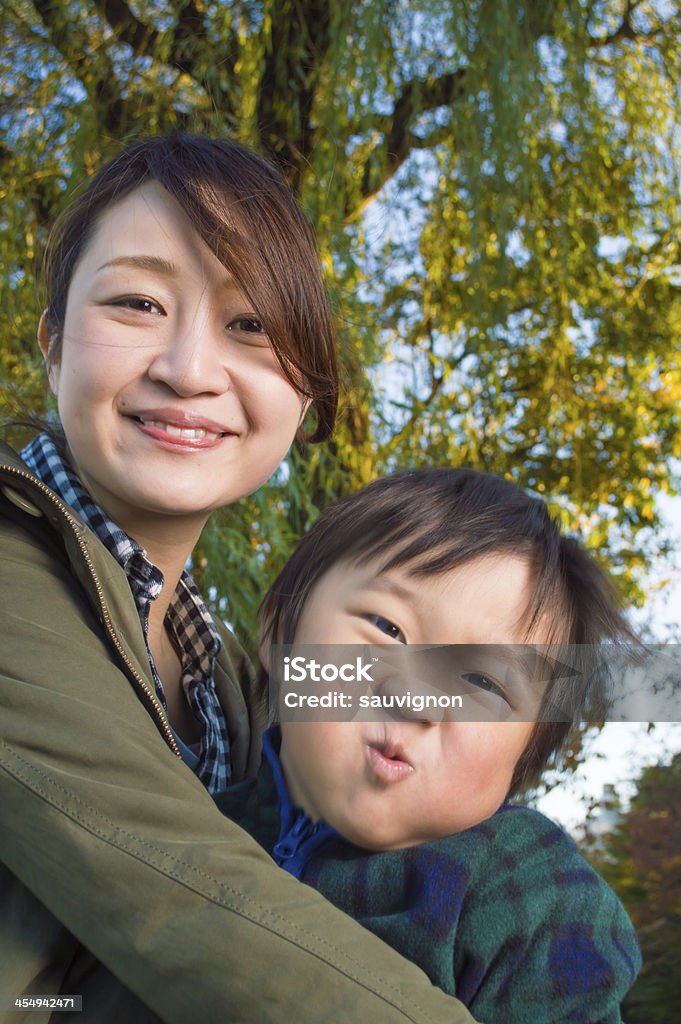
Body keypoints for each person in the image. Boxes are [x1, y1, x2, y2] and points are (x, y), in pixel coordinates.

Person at [0, 136, 480, 1023]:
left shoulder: (221, 666)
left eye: (250, 325)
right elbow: (181, 896)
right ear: (54, 346)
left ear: (303, 392)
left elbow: (453, 691)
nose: (188, 370)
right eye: (137, 303)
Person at [217, 468, 642, 1024]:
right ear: (280, 634)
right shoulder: (195, 818)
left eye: (484, 683)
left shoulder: (531, 891)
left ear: (523, 761)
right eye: (387, 628)